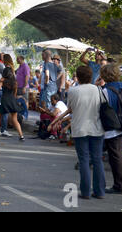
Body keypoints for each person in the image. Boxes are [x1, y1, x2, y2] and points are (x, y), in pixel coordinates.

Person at [49, 66, 106, 199]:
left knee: (84, 160)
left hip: (80, 128)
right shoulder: (98, 90)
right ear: (91, 76)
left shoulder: (73, 91)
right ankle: (100, 191)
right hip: (97, 128)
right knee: (97, 160)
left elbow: (71, 108)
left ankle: (85, 192)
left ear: (78, 77)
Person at [99, 64, 122, 194]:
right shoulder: (120, 87)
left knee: (115, 158)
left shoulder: (106, 91)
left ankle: (119, 185)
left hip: (112, 127)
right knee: (120, 156)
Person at [0, 67, 25, 141]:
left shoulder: (2, 80)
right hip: (12, 100)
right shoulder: (15, 82)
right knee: (15, 120)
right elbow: (14, 94)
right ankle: (21, 135)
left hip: (4, 100)